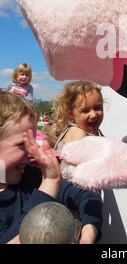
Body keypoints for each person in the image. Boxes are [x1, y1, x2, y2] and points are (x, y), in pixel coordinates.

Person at [0, 91, 103, 244]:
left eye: (34, 143)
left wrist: (89, 231)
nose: (31, 152)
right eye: (23, 144)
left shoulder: (31, 176)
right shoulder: (43, 181)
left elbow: (87, 196)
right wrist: (50, 182)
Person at [42, 81, 104, 180]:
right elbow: (81, 172)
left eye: (97, 108)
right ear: (70, 114)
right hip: (74, 191)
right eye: (85, 110)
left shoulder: (95, 133)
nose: (93, 115)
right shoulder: (77, 132)